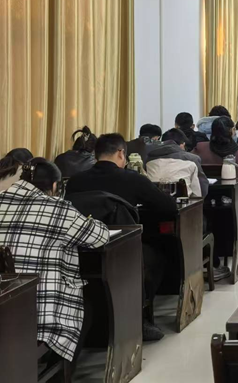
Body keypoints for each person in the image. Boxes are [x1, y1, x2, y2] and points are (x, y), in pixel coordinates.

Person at [66, 133, 176, 341]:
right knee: (158, 256)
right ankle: (140, 316)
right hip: (123, 254)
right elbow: (169, 208)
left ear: (96, 154)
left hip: (82, 254)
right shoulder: (133, 179)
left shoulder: (74, 182)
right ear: (120, 153)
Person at [0, 158, 109, 366]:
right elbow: (99, 237)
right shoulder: (58, 208)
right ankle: (58, 372)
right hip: (37, 320)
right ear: (54, 186)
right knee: (87, 307)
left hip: (5, 309)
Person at [146, 128, 210, 198]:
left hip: (153, 200)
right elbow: (202, 187)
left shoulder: (149, 159)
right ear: (182, 144)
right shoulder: (192, 159)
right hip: (184, 201)